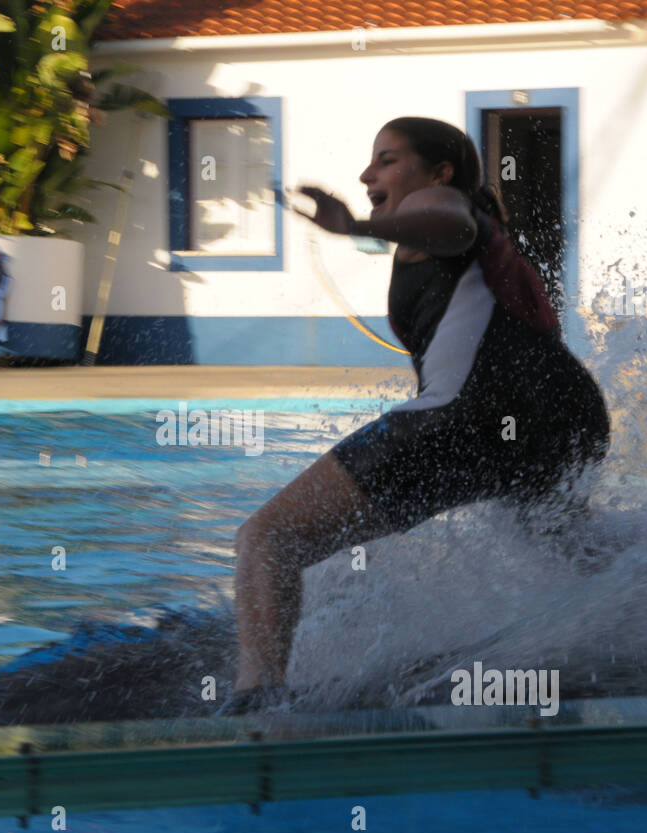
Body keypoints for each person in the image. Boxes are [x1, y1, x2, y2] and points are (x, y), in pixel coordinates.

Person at [224, 117, 610, 714]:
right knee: (567, 549)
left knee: (267, 538)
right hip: (564, 417)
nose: (366, 174)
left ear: (440, 171)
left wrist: (354, 224)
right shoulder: (465, 236)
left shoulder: (444, 205)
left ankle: (256, 708)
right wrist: (367, 229)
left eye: (386, 160)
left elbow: (449, 221)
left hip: (473, 416)